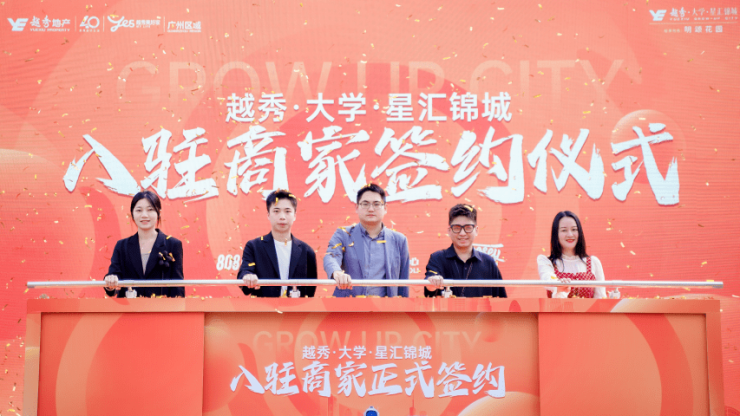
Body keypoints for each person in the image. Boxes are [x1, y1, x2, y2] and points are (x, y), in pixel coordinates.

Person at [324, 183, 409, 297]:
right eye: (365, 204)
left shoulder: (399, 240)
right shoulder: (343, 234)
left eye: (376, 204)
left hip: (384, 306)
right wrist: (337, 273)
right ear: (357, 208)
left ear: (385, 208)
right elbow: (331, 256)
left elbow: (403, 282)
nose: (371, 209)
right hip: (347, 305)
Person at [104, 191, 184, 298]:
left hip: (161, 307)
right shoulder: (122, 246)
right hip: (129, 306)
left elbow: (178, 287)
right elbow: (113, 281)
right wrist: (110, 282)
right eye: (139, 210)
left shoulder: (173, 244)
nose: (144, 215)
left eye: (150, 210)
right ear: (132, 213)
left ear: (158, 213)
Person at [239, 189, 317, 297]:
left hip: (297, 307)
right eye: (276, 211)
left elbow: (311, 291)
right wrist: (248, 277)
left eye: (287, 211)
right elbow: (244, 273)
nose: (282, 217)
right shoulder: (254, 246)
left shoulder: (307, 251)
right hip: (264, 307)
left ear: (295, 215)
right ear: (268, 215)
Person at [425, 204, 507, 298]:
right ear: (449, 231)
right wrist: (432, 282)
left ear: (476, 230)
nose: (462, 233)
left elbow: (501, 299)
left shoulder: (488, 262)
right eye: (457, 228)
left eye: (468, 228)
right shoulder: (437, 258)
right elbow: (429, 289)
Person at [537, 211, 607, 299]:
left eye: (574, 229)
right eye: (564, 230)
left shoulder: (593, 262)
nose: (570, 234)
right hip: (558, 308)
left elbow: (600, 298)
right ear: (556, 234)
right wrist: (559, 286)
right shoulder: (547, 262)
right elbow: (547, 279)